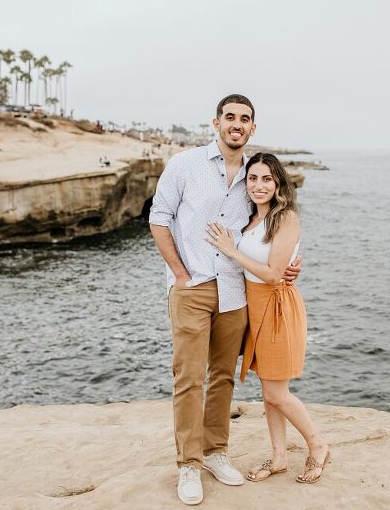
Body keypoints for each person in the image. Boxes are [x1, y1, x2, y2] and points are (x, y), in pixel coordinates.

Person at [148, 94, 301, 505]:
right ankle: (188, 465)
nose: (237, 124)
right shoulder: (184, 165)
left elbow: (268, 228)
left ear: (254, 127)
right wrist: (180, 274)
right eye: (229, 117)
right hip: (192, 286)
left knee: (222, 377)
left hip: (236, 292)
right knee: (188, 377)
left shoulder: (255, 174)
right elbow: (159, 217)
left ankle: (216, 452)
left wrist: (289, 264)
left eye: (244, 119)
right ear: (215, 122)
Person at [205, 153, 330, 485]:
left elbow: (275, 275)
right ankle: (279, 457)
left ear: (278, 184)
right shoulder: (250, 220)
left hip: (276, 307)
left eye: (267, 179)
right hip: (253, 309)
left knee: (277, 393)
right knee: (269, 391)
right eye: (253, 179)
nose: (259, 186)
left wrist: (232, 251)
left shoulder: (285, 218)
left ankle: (318, 444)